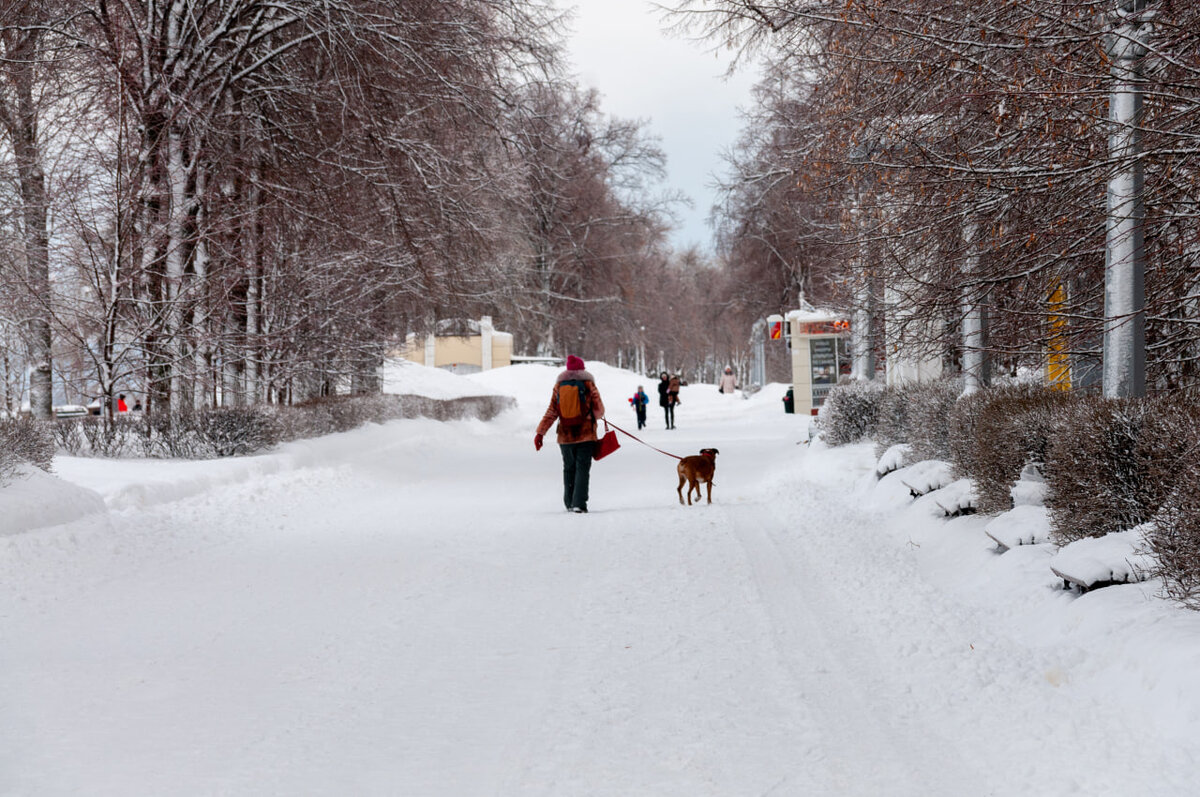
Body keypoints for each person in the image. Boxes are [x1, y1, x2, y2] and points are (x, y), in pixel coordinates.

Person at [534, 355, 606, 514]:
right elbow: (599, 410)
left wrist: (540, 433)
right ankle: (579, 503)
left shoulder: (559, 385)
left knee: (569, 468)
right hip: (586, 434)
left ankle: (569, 502)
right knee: (582, 468)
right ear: (582, 369)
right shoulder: (588, 383)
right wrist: (591, 415)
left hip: (565, 436)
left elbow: (552, 411)